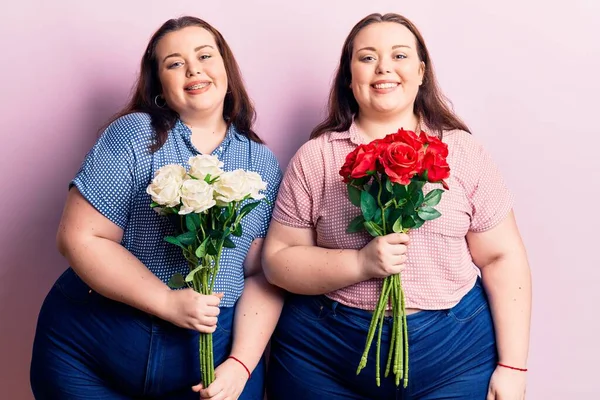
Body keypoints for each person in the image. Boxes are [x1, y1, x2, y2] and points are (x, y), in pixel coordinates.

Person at [263, 12, 531, 400]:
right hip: (324, 354)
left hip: (452, 353)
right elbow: (277, 261)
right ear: (348, 76)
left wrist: (513, 367)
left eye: (400, 56)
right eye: (367, 57)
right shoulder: (315, 158)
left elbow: (502, 258)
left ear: (421, 72)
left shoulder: (464, 152)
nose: (384, 67)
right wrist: (359, 264)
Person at [30, 16, 283, 400]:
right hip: (88, 353)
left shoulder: (261, 163)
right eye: (174, 63)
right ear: (160, 86)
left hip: (205, 368)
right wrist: (166, 301)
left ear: (225, 68)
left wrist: (241, 365)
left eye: (204, 55)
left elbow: (262, 273)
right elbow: (78, 237)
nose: (193, 68)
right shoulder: (134, 135)